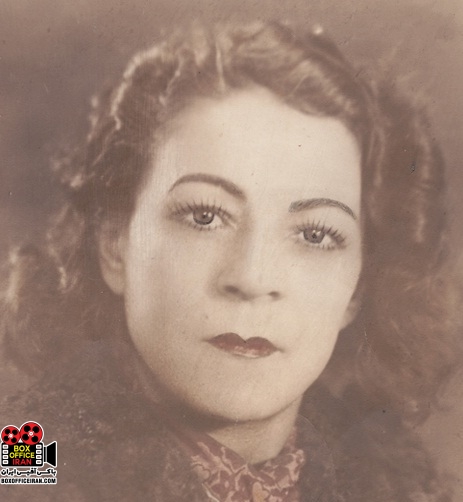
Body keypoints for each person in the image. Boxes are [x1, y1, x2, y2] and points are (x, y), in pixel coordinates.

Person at [1, 20, 460, 501]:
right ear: (115, 245)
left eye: (315, 235)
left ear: (357, 289)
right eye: (205, 216)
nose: (252, 277)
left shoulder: (400, 489)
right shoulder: (24, 463)